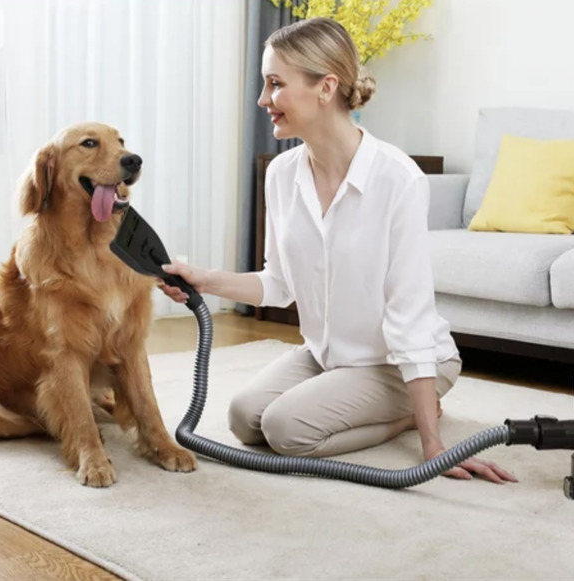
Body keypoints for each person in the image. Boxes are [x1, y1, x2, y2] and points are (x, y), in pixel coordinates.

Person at [159, 17, 516, 484]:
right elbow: (278, 283)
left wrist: (432, 443)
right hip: (327, 354)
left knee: (285, 430)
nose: (263, 100)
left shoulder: (397, 178)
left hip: (394, 362)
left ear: (326, 87)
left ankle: (410, 415)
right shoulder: (282, 174)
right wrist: (205, 279)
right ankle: (370, 406)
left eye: (275, 84)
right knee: (245, 419)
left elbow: (409, 312)